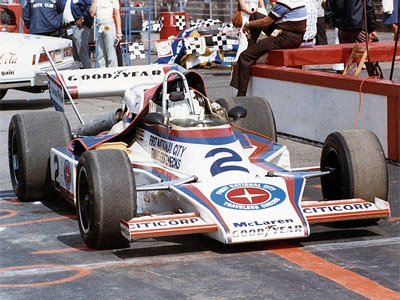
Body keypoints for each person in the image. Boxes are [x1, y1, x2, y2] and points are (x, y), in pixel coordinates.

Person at [230, 0, 307, 96]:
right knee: (255, 16)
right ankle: (251, 48)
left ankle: (241, 94)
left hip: (286, 38)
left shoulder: (284, 2)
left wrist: (247, 24)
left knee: (245, 56)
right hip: (289, 34)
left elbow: (266, 22)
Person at [325, 0, 377, 76]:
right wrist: (372, 28)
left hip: (343, 27)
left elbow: (328, 12)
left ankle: (350, 84)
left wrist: (337, 22)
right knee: (370, 57)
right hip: (358, 26)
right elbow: (369, 8)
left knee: (349, 60)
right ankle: (376, 81)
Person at [90, 0, 123, 67]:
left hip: (108, 24)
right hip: (99, 26)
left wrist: (119, 31)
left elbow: (116, 13)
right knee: (100, 54)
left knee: (111, 52)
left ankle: (113, 72)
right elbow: (92, 13)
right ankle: (102, 72)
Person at [63, 0, 93, 69]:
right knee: (74, 55)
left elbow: (89, 6)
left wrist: (83, 18)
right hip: (68, 28)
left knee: (82, 53)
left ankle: (87, 73)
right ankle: (77, 74)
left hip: (79, 26)